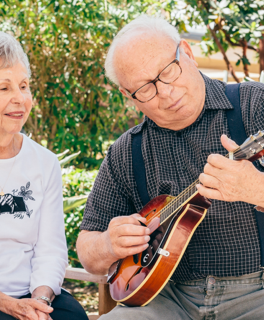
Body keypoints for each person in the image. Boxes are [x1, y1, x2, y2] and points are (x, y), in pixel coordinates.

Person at [76, 15, 264, 320]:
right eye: (144, 89)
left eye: (167, 72)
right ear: (128, 96)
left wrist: (257, 189)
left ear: (187, 53)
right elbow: (87, 248)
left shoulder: (255, 105)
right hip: (167, 299)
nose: (165, 92)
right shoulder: (127, 151)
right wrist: (109, 244)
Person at [0, 31, 88, 320]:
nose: (20, 99)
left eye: (24, 86)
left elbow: (51, 250)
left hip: (32, 293)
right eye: (4, 88)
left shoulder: (44, 162)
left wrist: (40, 301)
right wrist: (10, 306)